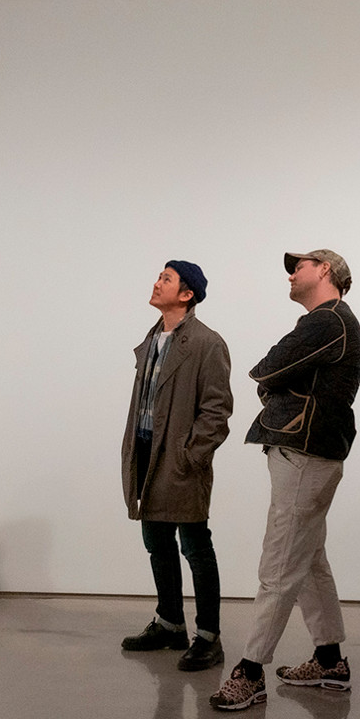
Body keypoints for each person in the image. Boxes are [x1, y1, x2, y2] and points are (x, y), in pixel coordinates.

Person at [210, 249, 360, 711]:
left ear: (325, 271)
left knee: (279, 562)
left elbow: (267, 368)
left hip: (304, 451)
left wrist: (274, 384)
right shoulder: (332, 322)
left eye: (300, 265)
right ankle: (330, 659)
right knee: (309, 558)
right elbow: (273, 374)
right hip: (309, 452)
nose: (292, 272)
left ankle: (250, 671)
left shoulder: (327, 320)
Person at [121, 260, 233, 670]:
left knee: (195, 546)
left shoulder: (207, 343)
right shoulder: (152, 339)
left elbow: (217, 410)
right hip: (148, 452)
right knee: (157, 543)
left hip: (180, 458)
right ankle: (170, 623)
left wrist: (191, 455)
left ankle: (208, 636)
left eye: (165, 279)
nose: (156, 282)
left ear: (186, 294)